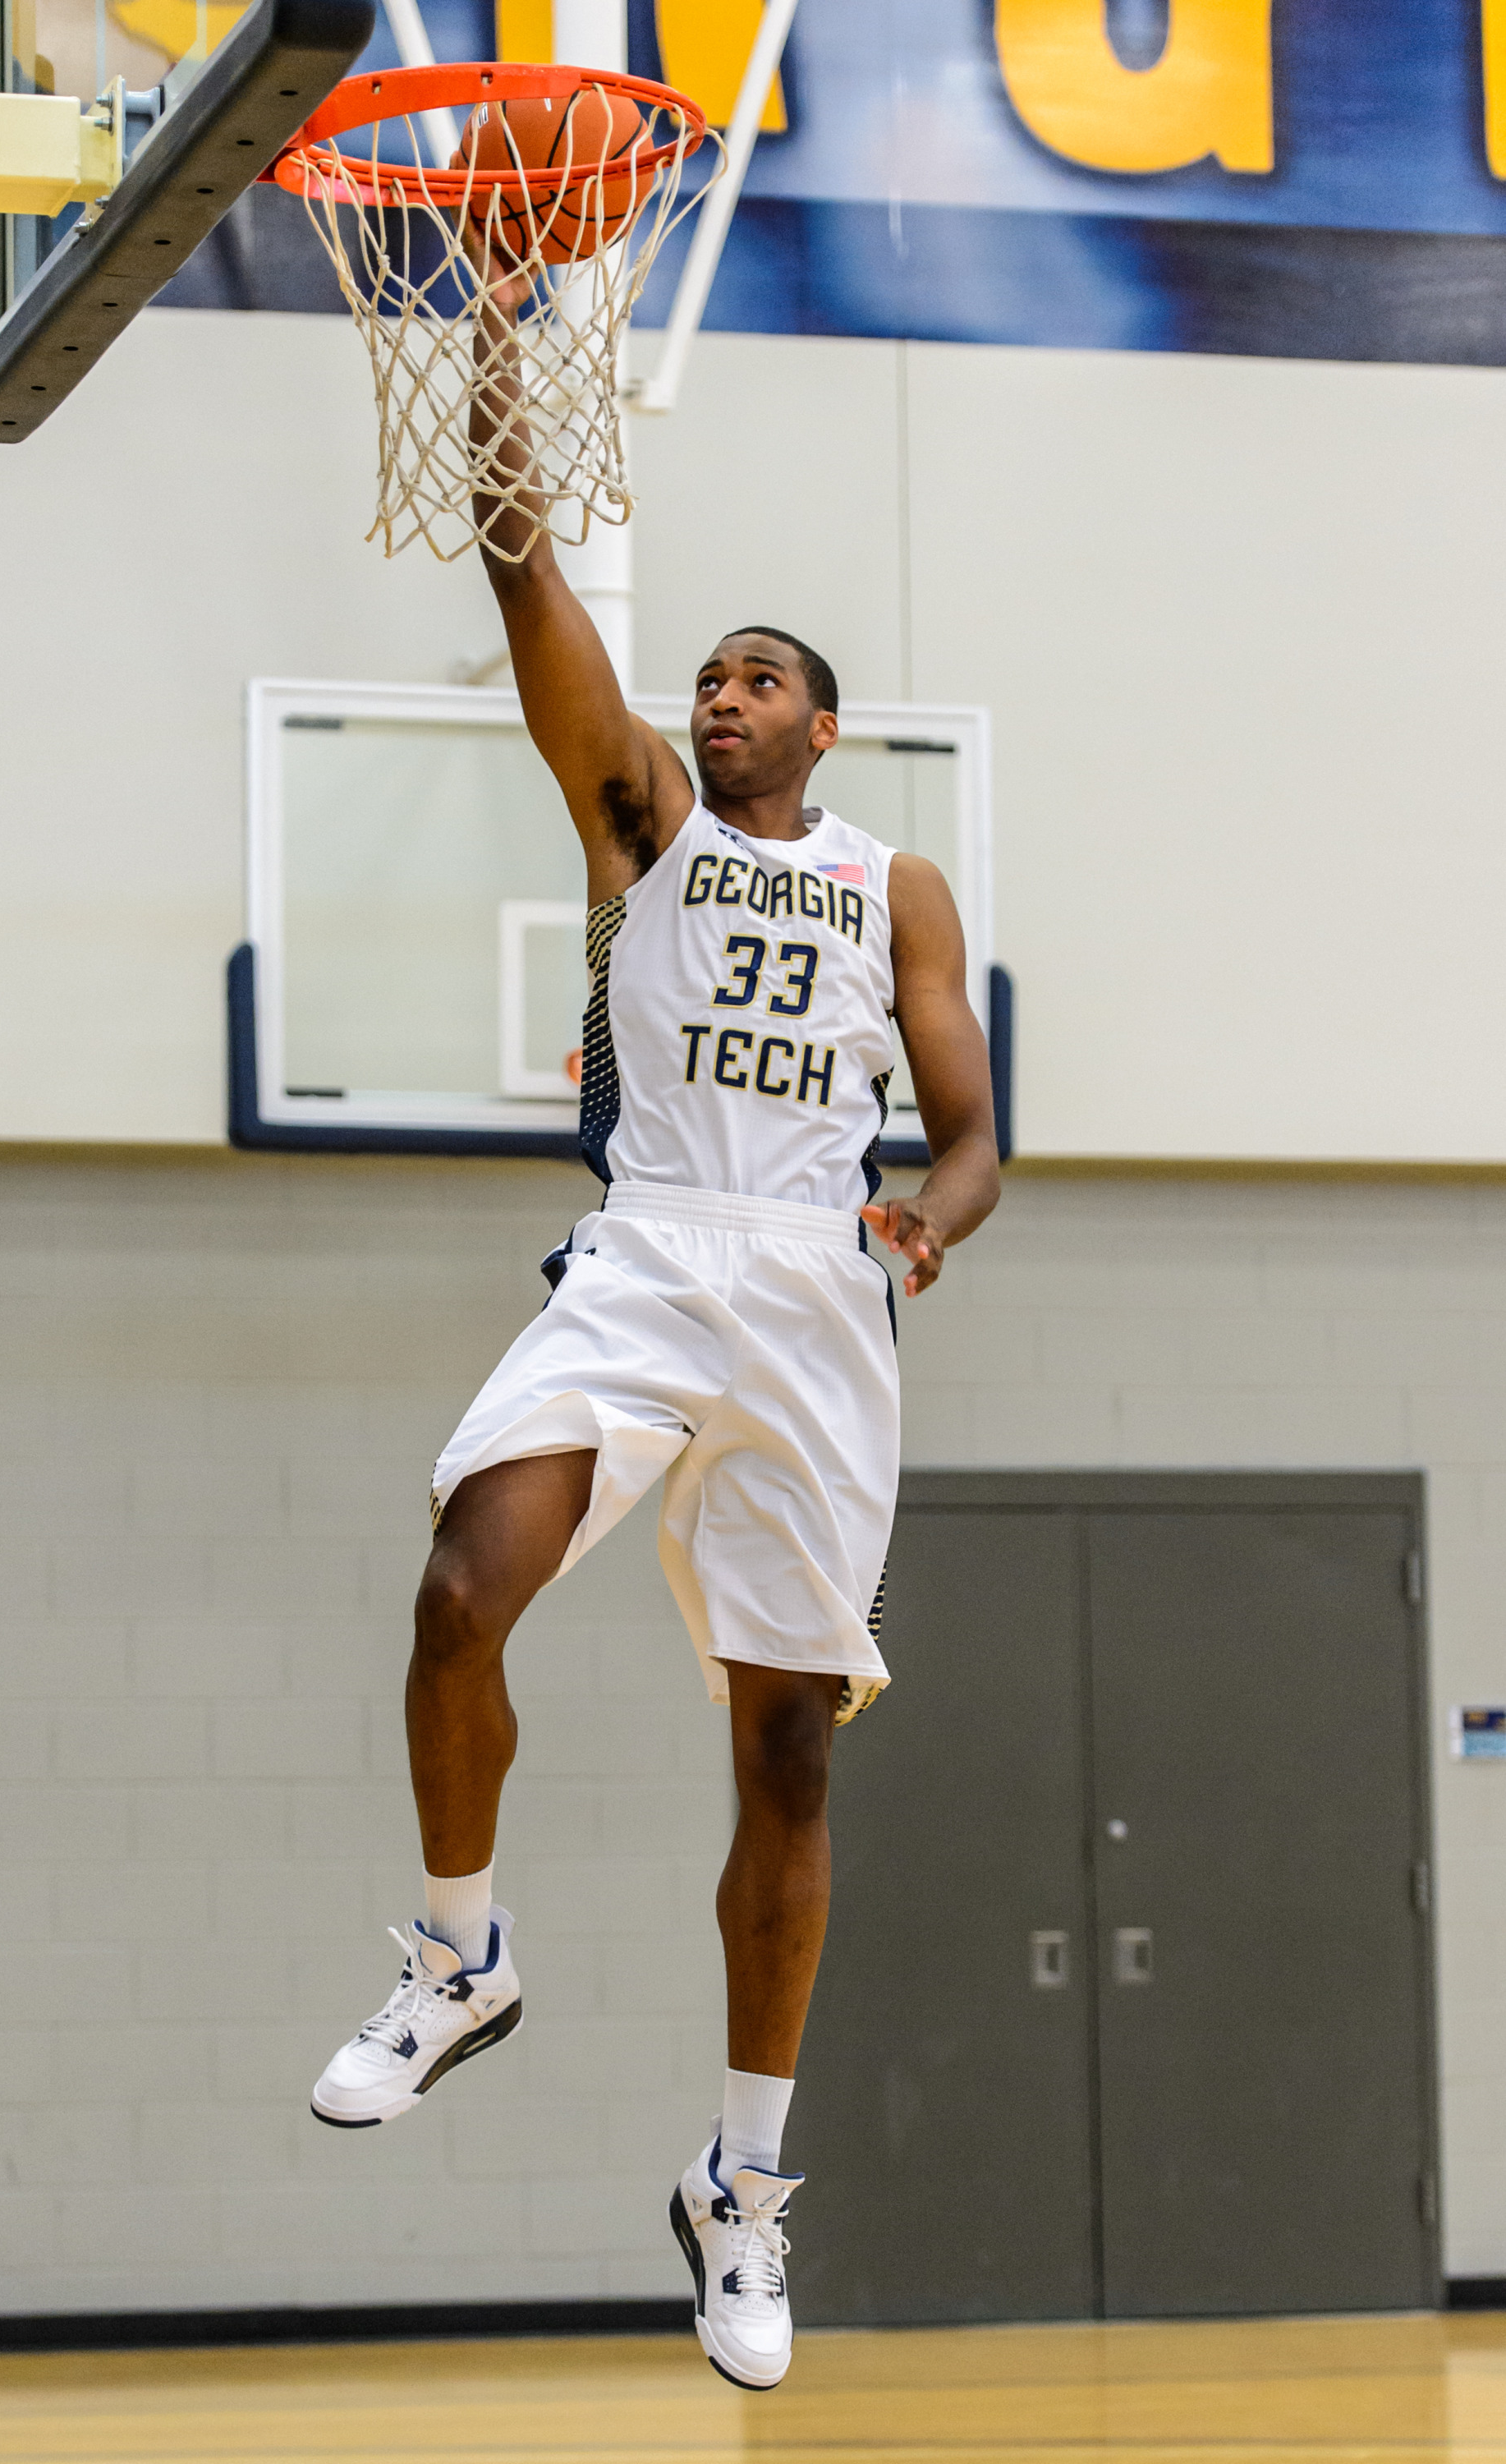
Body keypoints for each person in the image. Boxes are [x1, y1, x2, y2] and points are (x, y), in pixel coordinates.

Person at [310, 251, 1001, 2393]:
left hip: (813, 1293)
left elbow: (970, 1125)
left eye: (760, 676)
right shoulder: (645, 828)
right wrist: (498, 365)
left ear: (827, 723)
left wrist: (932, 1221)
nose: (719, 694)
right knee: (458, 1587)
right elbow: (536, 593)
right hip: (652, 1256)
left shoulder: (894, 885)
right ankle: (458, 1954)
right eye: (702, 672)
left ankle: (744, 2190)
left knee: (785, 1756)